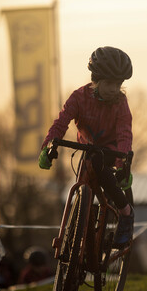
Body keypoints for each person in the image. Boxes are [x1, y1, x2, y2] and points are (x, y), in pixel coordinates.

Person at [38, 46, 134, 248]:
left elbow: (124, 132)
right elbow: (61, 123)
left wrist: (122, 162)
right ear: (96, 80)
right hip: (87, 150)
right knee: (82, 188)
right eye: (109, 84)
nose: (113, 90)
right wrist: (48, 146)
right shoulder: (78, 97)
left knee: (97, 159)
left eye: (118, 84)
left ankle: (126, 213)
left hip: (110, 150)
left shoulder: (120, 102)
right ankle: (76, 236)